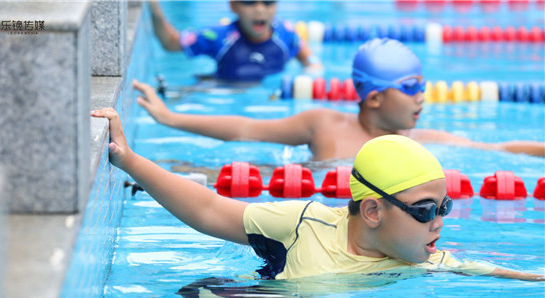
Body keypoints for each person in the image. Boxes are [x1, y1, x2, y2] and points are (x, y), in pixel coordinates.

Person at [91, 107, 544, 282]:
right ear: (372, 211)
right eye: (426, 210)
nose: (440, 222)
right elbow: (211, 209)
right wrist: (130, 160)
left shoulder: (429, 260)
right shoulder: (302, 223)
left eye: (443, 207)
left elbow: (514, 276)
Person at [133, 38, 545, 160]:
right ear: (374, 97)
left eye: (422, 86)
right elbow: (246, 128)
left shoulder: (420, 144)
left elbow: (497, 148)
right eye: (411, 86)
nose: (423, 96)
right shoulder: (324, 124)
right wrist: (171, 119)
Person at [148, 0, 322, 82]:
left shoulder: (286, 34)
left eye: (268, 2)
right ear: (233, 6)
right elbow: (170, 43)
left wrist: (311, 69)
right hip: (224, 89)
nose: (260, 9)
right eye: (249, 2)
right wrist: (155, 9)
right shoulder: (219, 37)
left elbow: (307, 56)